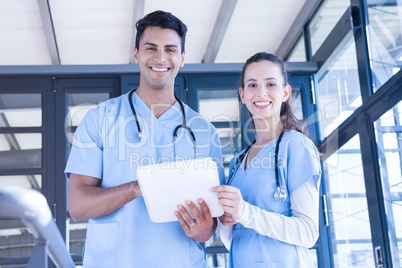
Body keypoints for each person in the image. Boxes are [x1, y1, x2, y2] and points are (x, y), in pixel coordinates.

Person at [65, 10, 224, 268]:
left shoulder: (203, 131)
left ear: (182, 58)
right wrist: (138, 188)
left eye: (170, 49)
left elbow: (211, 226)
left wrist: (204, 230)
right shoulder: (100, 119)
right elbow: (78, 205)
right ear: (137, 53)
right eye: (151, 48)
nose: (161, 58)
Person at [211, 52, 321, 267]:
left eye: (271, 84)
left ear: (285, 92)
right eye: (252, 85)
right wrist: (227, 223)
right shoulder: (237, 163)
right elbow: (235, 241)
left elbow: (308, 233)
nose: (261, 93)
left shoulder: (296, 145)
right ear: (242, 95)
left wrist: (245, 212)